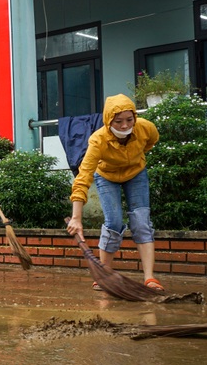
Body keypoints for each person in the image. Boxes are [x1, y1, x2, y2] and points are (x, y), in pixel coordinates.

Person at [66, 93, 162, 290]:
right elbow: (83, 177)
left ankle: (150, 278)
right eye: (118, 121)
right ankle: (104, 275)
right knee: (114, 222)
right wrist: (76, 217)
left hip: (136, 173)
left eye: (129, 120)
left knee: (141, 221)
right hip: (107, 176)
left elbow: (151, 142)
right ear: (109, 120)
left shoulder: (145, 127)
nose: (125, 126)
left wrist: (134, 157)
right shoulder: (98, 140)